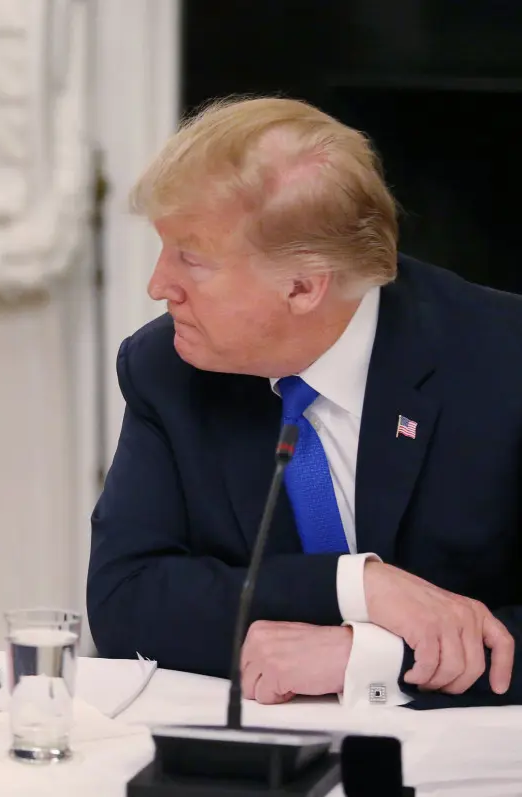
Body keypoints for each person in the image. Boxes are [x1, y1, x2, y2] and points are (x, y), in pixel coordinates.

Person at [86, 95, 522, 709]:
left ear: (302, 286)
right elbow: (125, 599)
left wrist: (370, 659)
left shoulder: (503, 361)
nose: (159, 285)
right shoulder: (169, 369)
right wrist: (358, 588)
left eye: (191, 258)